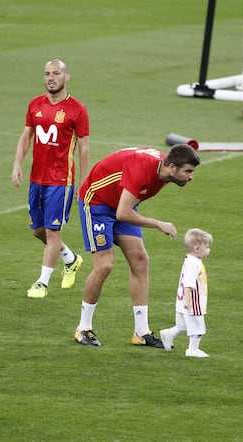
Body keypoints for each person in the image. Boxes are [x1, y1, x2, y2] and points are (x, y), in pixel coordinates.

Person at [74, 144, 201, 348]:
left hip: (122, 202)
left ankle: (141, 332)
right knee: (104, 265)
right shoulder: (142, 169)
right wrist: (158, 223)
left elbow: (125, 206)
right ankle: (83, 328)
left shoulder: (165, 172)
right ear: (171, 167)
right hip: (97, 203)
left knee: (140, 261)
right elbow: (123, 214)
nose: (191, 176)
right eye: (188, 171)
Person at [11, 59, 90, 298]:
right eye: (47, 73)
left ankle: (42, 283)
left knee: (53, 232)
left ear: (67, 77)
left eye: (56, 73)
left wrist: (84, 181)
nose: (51, 78)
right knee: (38, 230)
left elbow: (84, 148)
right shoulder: (35, 104)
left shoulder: (77, 109)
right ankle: (71, 259)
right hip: (37, 178)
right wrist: (17, 163)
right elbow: (27, 136)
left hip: (61, 181)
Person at [160, 228, 213, 358]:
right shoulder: (194, 263)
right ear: (197, 249)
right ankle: (192, 350)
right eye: (206, 247)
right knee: (198, 327)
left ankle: (168, 334)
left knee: (182, 326)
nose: (208, 250)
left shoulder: (189, 260)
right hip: (192, 302)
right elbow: (189, 284)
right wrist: (188, 301)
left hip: (181, 301)